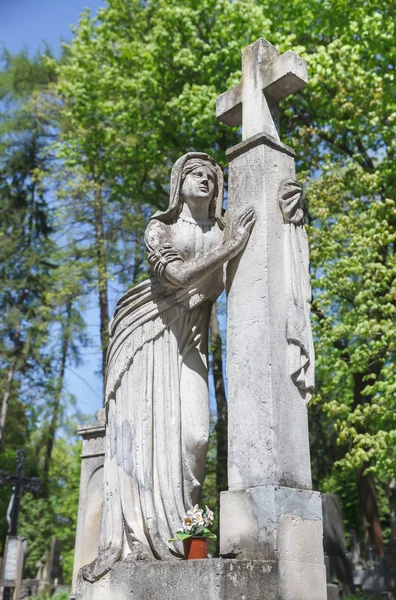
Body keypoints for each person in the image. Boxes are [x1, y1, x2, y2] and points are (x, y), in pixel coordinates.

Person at [86, 152, 254, 579]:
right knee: (145, 440)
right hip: (148, 332)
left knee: (196, 435)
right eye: (195, 174)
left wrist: (290, 206)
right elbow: (176, 277)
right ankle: (152, 539)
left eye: (212, 177)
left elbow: (263, 227)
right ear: (178, 183)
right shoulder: (159, 228)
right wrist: (232, 248)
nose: (205, 181)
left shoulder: (223, 228)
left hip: (190, 338)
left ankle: (185, 526)